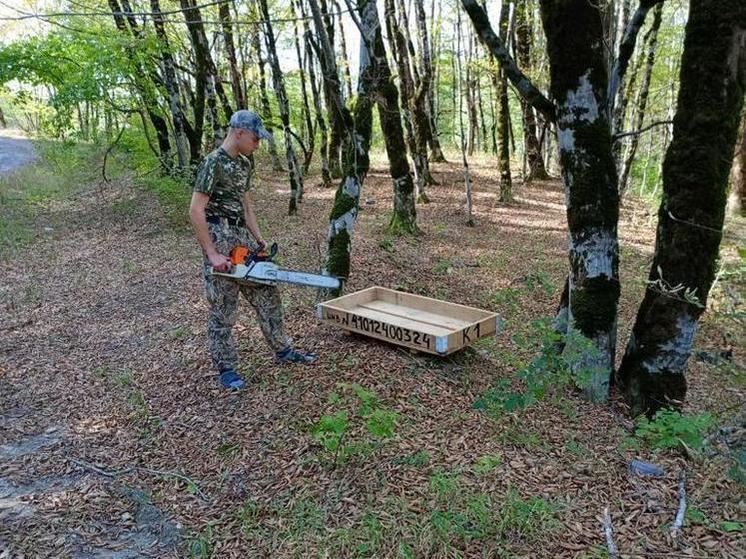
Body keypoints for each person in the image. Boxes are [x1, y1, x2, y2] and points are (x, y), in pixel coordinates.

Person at [189, 109, 316, 390]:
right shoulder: (213, 163)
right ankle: (226, 368)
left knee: (267, 292)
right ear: (239, 132)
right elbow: (196, 210)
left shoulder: (245, 164)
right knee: (223, 305)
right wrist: (211, 253)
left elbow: (247, 206)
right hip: (217, 234)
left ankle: (283, 349)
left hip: (240, 235)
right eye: (256, 138)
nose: (258, 143)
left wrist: (258, 239)